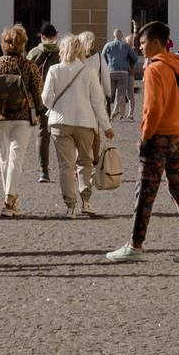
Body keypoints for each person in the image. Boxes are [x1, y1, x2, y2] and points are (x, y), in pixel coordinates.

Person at [104, 21, 179, 265]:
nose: (139, 48)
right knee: (177, 187)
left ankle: (135, 245)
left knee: (145, 191)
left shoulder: (153, 69)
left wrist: (145, 138)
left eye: (142, 43)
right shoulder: (177, 65)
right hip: (178, 134)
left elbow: (151, 110)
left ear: (155, 42)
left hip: (159, 138)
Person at [41, 30, 110, 219]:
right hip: (85, 123)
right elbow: (98, 102)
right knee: (85, 162)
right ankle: (86, 202)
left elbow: (46, 99)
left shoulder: (54, 70)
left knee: (66, 166)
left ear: (62, 50)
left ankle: (69, 205)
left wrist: (57, 104)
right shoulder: (88, 71)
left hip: (60, 123)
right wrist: (106, 126)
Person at [0, 25, 42, 216]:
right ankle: (9, 199)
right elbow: (37, 92)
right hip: (22, 116)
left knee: (4, 157)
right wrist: (38, 111)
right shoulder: (29, 65)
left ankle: (8, 196)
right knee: (17, 157)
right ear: (23, 44)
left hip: (0, 115)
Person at [27, 25, 60, 184]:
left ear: (42, 37)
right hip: (60, 98)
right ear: (56, 35)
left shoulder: (34, 53)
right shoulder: (62, 53)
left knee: (42, 135)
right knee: (64, 135)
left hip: (40, 99)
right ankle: (68, 169)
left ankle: (43, 171)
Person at [101, 28, 139, 120]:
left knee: (108, 94)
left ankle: (106, 114)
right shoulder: (126, 46)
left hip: (111, 71)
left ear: (113, 36)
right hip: (123, 72)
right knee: (122, 94)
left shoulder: (107, 45)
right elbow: (135, 57)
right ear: (121, 36)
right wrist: (129, 64)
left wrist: (107, 66)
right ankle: (122, 116)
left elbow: (102, 58)